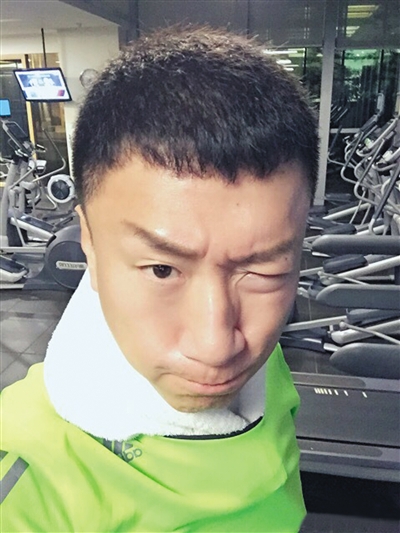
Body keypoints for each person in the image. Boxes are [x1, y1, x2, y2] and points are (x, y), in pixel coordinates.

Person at [1, 26, 319, 532]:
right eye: (162, 269)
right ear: (88, 243)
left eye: (262, 270)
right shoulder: (28, 488)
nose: (216, 346)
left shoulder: (262, 363)